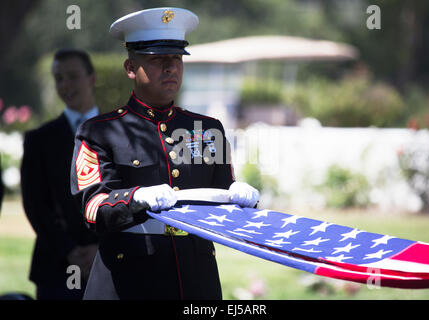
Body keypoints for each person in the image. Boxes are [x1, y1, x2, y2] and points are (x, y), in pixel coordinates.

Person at [70, 7, 259, 300]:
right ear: (131, 68)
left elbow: (222, 190)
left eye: (176, 58)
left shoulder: (208, 128)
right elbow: (92, 209)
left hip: (196, 276)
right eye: (158, 60)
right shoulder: (99, 132)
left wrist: (237, 194)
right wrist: (136, 198)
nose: (171, 67)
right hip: (130, 279)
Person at [20, 49, 99, 300]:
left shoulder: (121, 131)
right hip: (57, 268)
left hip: (112, 263)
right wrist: (71, 251)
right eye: (58, 78)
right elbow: (35, 204)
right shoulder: (39, 140)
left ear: (92, 78)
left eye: (73, 76)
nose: (65, 85)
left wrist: (101, 248)